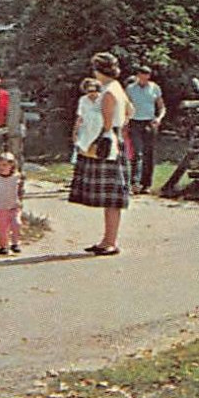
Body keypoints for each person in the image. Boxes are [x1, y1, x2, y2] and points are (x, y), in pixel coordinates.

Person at [68, 52, 130, 255]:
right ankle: (107, 240)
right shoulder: (116, 87)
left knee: (112, 195)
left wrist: (88, 140)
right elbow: (131, 111)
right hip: (114, 139)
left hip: (106, 142)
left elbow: (106, 123)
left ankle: (110, 241)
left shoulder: (109, 92)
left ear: (99, 70)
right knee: (111, 195)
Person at [126, 65, 166, 193]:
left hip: (149, 122)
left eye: (147, 76)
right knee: (137, 153)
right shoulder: (131, 89)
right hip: (135, 122)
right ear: (138, 76)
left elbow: (161, 107)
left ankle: (146, 184)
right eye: (142, 77)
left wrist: (159, 118)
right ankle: (135, 182)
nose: (144, 79)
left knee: (149, 153)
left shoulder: (154, 88)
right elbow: (126, 105)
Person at [0, 152, 26, 255]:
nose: (1, 167)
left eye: (4, 165)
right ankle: (3, 246)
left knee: (16, 224)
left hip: (14, 205)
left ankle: (15, 243)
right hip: (1, 206)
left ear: (12, 165)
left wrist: (20, 200)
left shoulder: (16, 177)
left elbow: (20, 190)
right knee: (2, 227)